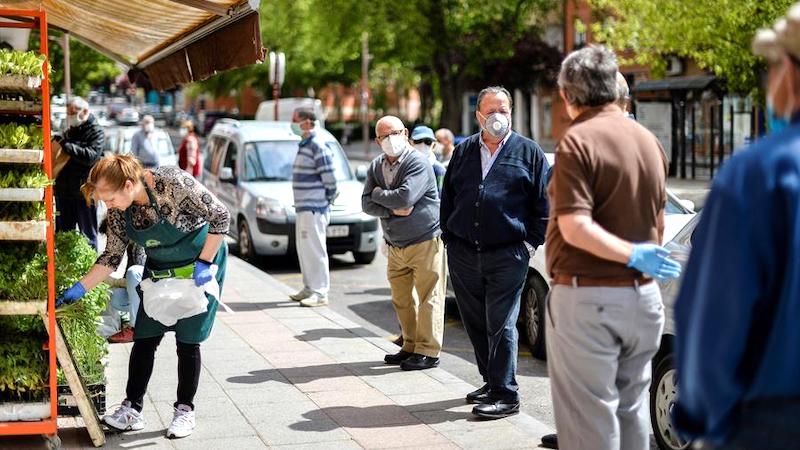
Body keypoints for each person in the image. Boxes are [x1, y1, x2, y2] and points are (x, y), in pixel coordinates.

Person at [673, 8, 800, 449]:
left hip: (772, 417)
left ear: (791, 72)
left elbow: (715, 315)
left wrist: (699, 410)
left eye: (773, 66)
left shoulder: (759, 173)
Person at [544, 45, 681, 450]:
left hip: (590, 299)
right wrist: (638, 258)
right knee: (631, 411)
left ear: (569, 95)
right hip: (641, 300)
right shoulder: (647, 141)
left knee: (590, 424)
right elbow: (655, 222)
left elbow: (574, 224)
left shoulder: (578, 141)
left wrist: (627, 253)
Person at [55, 154, 230, 439]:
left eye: (109, 199)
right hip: (160, 270)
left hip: (199, 266)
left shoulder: (172, 182)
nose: (107, 206)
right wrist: (80, 288)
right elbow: (111, 257)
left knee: (188, 339)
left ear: (127, 185)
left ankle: (185, 410)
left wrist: (206, 262)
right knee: (145, 336)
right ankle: (131, 409)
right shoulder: (119, 212)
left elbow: (221, 215)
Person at [440, 86, 550, 419]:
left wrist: (530, 244)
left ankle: (506, 394)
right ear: (478, 116)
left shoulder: (529, 152)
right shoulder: (463, 152)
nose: (497, 117)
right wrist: (449, 239)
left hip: (508, 254)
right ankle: (491, 381)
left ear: (511, 113)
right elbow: (449, 197)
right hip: (463, 253)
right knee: (474, 322)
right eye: (490, 112)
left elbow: (543, 206)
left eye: (503, 110)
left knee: (501, 324)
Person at [362, 116, 445, 371]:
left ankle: (428, 351)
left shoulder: (417, 162)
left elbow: (406, 196)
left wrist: (380, 196)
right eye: (384, 136)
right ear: (377, 140)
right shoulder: (377, 165)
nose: (390, 140)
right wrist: (389, 207)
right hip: (395, 244)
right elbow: (366, 203)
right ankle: (409, 345)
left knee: (429, 296)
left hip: (424, 241)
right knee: (401, 299)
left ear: (405, 133)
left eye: (394, 133)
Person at [288, 107, 338, 307]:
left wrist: (327, 198)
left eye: (295, 120)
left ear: (307, 123)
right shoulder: (305, 144)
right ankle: (309, 287)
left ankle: (320, 292)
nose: (292, 125)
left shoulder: (318, 144)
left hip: (314, 207)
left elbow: (330, 178)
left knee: (315, 250)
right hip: (304, 207)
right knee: (305, 250)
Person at [54, 96, 104, 248]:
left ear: (85, 111)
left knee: (88, 236)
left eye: (73, 113)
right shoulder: (70, 131)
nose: (71, 117)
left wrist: (66, 145)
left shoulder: (96, 132)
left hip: (85, 193)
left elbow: (90, 157)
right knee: (63, 235)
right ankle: (64, 269)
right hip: (64, 191)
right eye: (68, 113)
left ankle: (90, 268)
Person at [411, 125, 446, 191]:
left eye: (428, 142)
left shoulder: (439, 170)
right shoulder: (404, 166)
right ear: (410, 143)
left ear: (434, 145)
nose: (422, 145)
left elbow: (440, 197)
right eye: (418, 141)